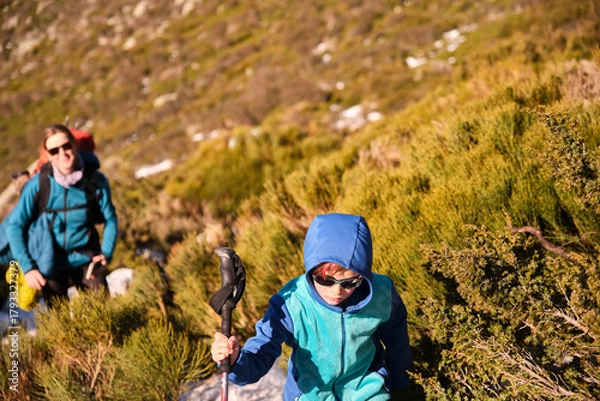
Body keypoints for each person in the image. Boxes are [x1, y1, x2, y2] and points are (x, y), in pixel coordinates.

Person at [211, 213, 412, 400]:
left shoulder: (381, 292)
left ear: (362, 275)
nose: (336, 292)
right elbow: (260, 356)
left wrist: (403, 387)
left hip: (366, 393)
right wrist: (235, 360)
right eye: (325, 280)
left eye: (349, 283)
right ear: (311, 269)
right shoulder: (291, 303)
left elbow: (397, 341)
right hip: (309, 395)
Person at [4, 124, 118, 306]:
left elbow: (110, 219)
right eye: (54, 150)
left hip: (87, 260)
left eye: (66, 146)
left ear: (74, 146)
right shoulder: (40, 185)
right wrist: (28, 268)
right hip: (50, 262)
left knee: (104, 321)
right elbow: (15, 226)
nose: (62, 153)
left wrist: (106, 253)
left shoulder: (94, 181)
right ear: (48, 155)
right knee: (60, 326)